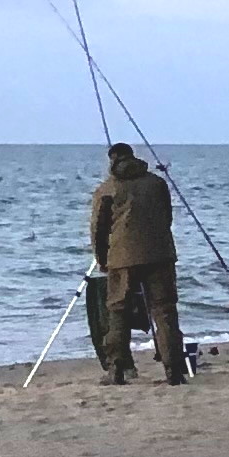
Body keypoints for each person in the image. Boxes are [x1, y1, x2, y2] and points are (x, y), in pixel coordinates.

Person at [88, 142, 187, 384]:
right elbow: (167, 217)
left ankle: (117, 370)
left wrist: (102, 259)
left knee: (118, 312)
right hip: (160, 255)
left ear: (112, 161)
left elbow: (98, 230)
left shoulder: (107, 189)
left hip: (121, 258)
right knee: (164, 311)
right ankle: (174, 370)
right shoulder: (157, 183)